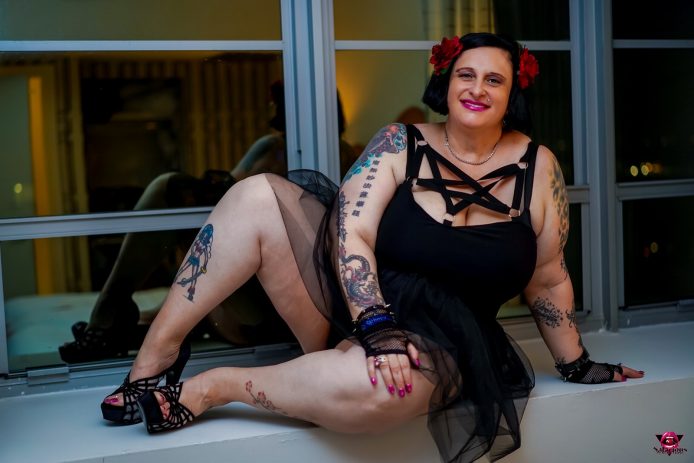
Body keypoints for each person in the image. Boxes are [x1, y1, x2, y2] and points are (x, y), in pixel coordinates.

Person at [97, 33, 644, 463]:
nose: (477, 88)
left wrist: (575, 364)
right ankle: (155, 359)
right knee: (256, 194)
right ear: (447, 80)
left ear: (512, 94)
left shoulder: (539, 166)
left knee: (381, 395)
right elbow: (350, 232)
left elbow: (547, 275)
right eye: (466, 74)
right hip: (356, 303)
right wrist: (375, 326)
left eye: (493, 79)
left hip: (444, 335)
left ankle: (214, 388)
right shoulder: (398, 142)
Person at [59, 81, 356, 362]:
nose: (270, 109)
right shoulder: (348, 159)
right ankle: (138, 318)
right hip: (275, 313)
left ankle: (112, 313)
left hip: (274, 316)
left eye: (275, 103)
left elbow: (231, 209)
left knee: (171, 191)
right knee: (190, 206)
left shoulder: (281, 149)